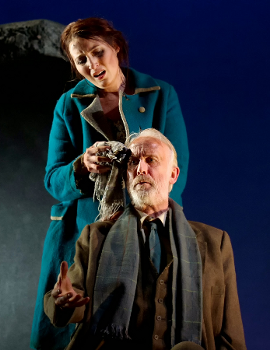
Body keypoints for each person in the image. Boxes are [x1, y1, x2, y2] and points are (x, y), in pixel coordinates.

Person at [31, 18, 189, 350]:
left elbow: (178, 171)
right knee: (75, 328)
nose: (92, 64)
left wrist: (143, 214)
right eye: (81, 59)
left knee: (145, 327)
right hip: (80, 236)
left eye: (98, 52)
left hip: (147, 232)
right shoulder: (67, 105)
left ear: (116, 47)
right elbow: (53, 181)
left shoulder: (161, 95)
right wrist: (81, 165)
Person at [44, 128, 246, 350]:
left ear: (173, 175)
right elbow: (71, 303)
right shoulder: (97, 236)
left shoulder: (215, 242)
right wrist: (63, 301)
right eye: (132, 162)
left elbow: (230, 334)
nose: (140, 169)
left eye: (151, 160)